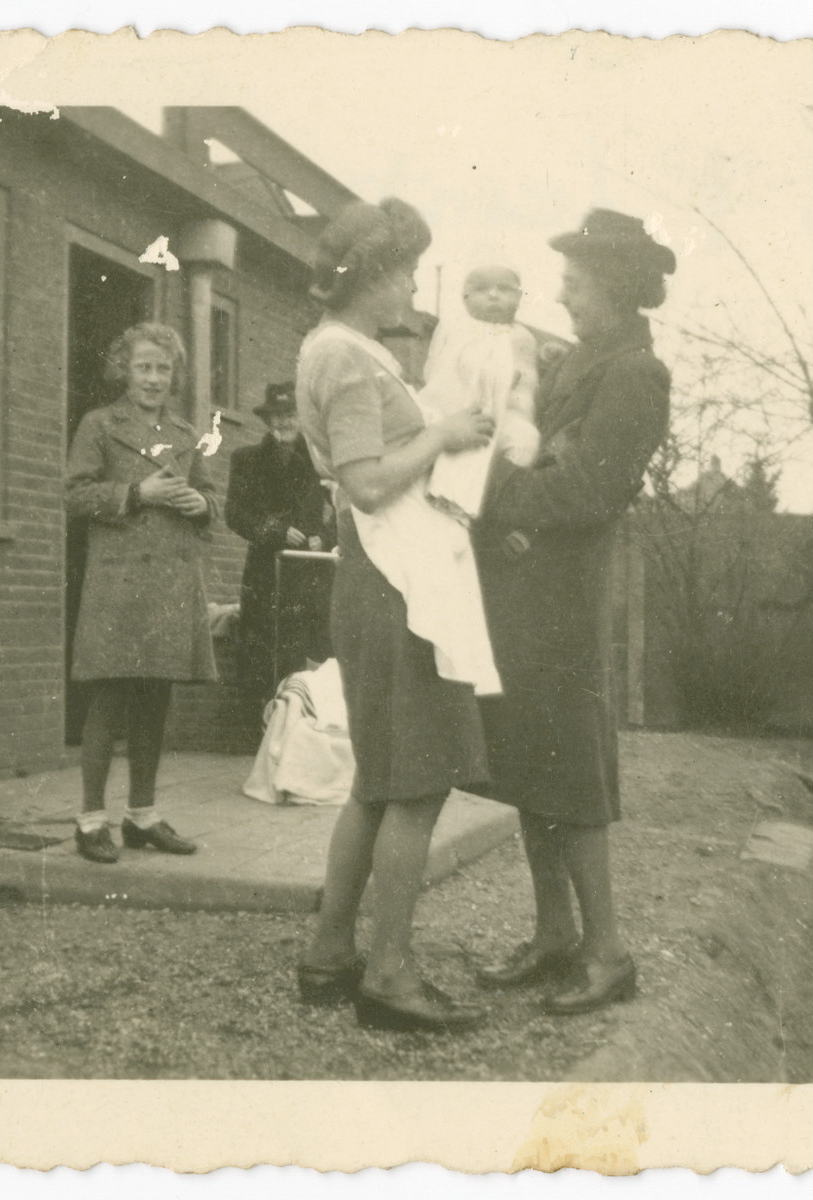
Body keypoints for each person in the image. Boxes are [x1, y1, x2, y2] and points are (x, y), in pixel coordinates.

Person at [293, 197, 498, 1031]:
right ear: (372, 278)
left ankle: (329, 954)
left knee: (377, 786)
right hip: (394, 584)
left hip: (383, 580)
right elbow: (366, 479)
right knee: (414, 786)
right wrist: (443, 435)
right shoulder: (347, 358)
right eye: (406, 272)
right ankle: (391, 972)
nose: (413, 286)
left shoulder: (343, 351)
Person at [472, 209, 676, 1016]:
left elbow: (589, 488)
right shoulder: (577, 362)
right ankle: (555, 936)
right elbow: (539, 451)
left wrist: (491, 493)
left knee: (574, 774)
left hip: (564, 597)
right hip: (525, 592)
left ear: (617, 289)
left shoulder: (634, 375)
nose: (563, 299)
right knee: (531, 765)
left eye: (576, 286)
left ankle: (609, 952)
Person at [65, 322, 216, 863]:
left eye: (164, 369)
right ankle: (90, 820)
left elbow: (210, 496)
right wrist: (137, 492)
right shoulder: (99, 425)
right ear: (123, 371)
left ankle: (143, 817)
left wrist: (203, 507)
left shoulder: (187, 432)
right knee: (109, 698)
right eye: (144, 367)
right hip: (119, 583)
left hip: (170, 584)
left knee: (155, 701)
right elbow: (75, 494)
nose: (154, 378)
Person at [225, 383, 337, 727]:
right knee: (264, 650)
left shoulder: (321, 461)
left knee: (309, 651)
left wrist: (324, 536)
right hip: (267, 572)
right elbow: (235, 513)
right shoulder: (246, 460)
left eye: (291, 414)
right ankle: (261, 733)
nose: (284, 422)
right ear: (267, 420)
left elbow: (340, 510)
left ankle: (303, 729)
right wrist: (276, 532)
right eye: (277, 415)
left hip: (311, 574)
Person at [418, 264, 543, 522]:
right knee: (450, 452)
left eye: (505, 289)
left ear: (520, 297)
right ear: (465, 297)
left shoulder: (523, 337)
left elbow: (528, 385)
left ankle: (504, 496)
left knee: (526, 440)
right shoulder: (454, 328)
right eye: (482, 289)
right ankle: (449, 499)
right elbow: (436, 371)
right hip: (460, 413)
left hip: (506, 415)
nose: (494, 295)